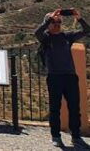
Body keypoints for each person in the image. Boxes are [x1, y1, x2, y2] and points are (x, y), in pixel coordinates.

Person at [35, 8, 90, 148]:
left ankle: (76, 137)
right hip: (54, 78)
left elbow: (86, 30)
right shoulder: (46, 38)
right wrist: (48, 19)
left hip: (70, 77)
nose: (57, 24)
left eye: (59, 21)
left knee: (74, 108)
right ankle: (56, 136)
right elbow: (37, 33)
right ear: (47, 23)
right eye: (54, 22)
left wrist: (79, 18)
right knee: (55, 109)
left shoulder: (67, 36)